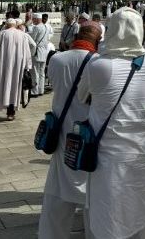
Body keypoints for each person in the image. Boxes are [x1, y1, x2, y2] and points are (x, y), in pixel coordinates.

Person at [77, 7, 145, 239]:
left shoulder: (100, 65)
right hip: (141, 152)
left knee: (108, 211)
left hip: (109, 156)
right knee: (140, 207)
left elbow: (82, 96)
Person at [38, 23, 102, 239]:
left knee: (57, 189)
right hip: (87, 132)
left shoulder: (57, 59)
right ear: (97, 40)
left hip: (62, 129)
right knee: (90, 188)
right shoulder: (98, 63)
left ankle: (51, 234)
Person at [0, 18, 32, 122]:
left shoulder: (3, 33)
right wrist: (27, 67)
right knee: (14, 89)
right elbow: (28, 53)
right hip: (18, 67)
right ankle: (10, 114)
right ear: (15, 25)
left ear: (6, 25)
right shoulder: (23, 35)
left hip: (4, 66)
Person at [29, 13, 50, 97]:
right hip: (44, 52)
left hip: (37, 52)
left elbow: (32, 40)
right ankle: (41, 90)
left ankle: (35, 91)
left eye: (33, 19)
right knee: (42, 72)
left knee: (35, 72)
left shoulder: (37, 27)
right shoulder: (46, 27)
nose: (33, 21)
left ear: (37, 19)